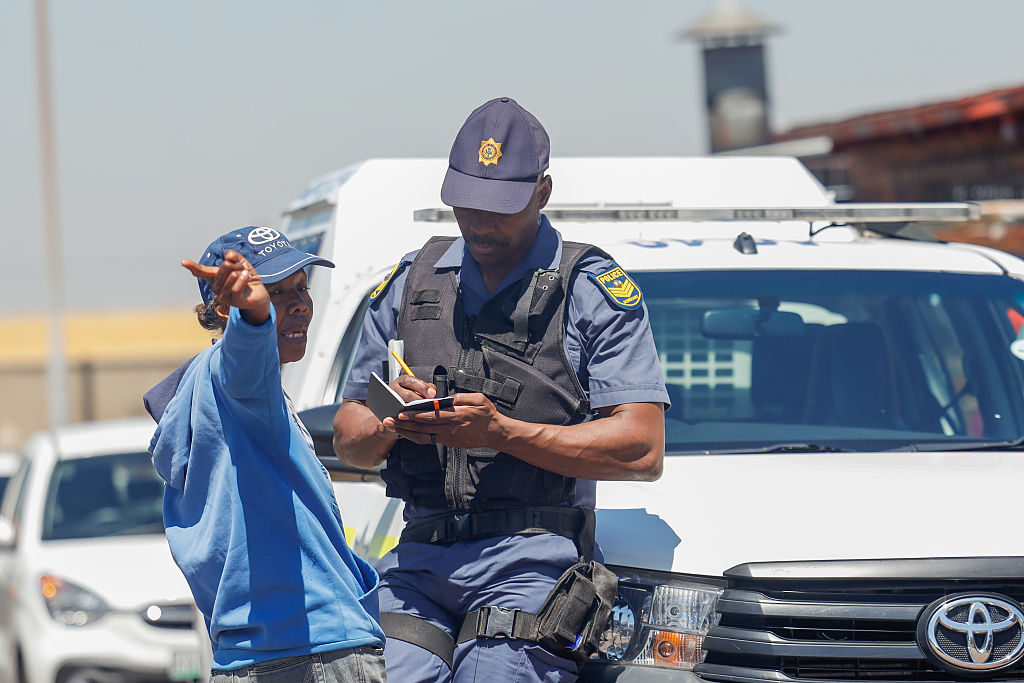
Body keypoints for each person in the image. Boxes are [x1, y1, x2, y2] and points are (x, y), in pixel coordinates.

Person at [333, 97, 669, 682]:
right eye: (467, 204)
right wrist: (389, 422)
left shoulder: (589, 290)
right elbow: (349, 439)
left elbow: (642, 448)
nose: (481, 223)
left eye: (501, 208)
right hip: (420, 561)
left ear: (542, 192)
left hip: (530, 561)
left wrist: (502, 433)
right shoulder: (408, 285)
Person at [145, 227, 387, 683]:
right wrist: (253, 315)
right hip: (315, 652)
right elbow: (245, 356)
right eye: (277, 293)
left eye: (301, 288)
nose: (299, 304)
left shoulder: (203, 389)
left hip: (250, 656)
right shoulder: (239, 382)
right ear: (225, 308)